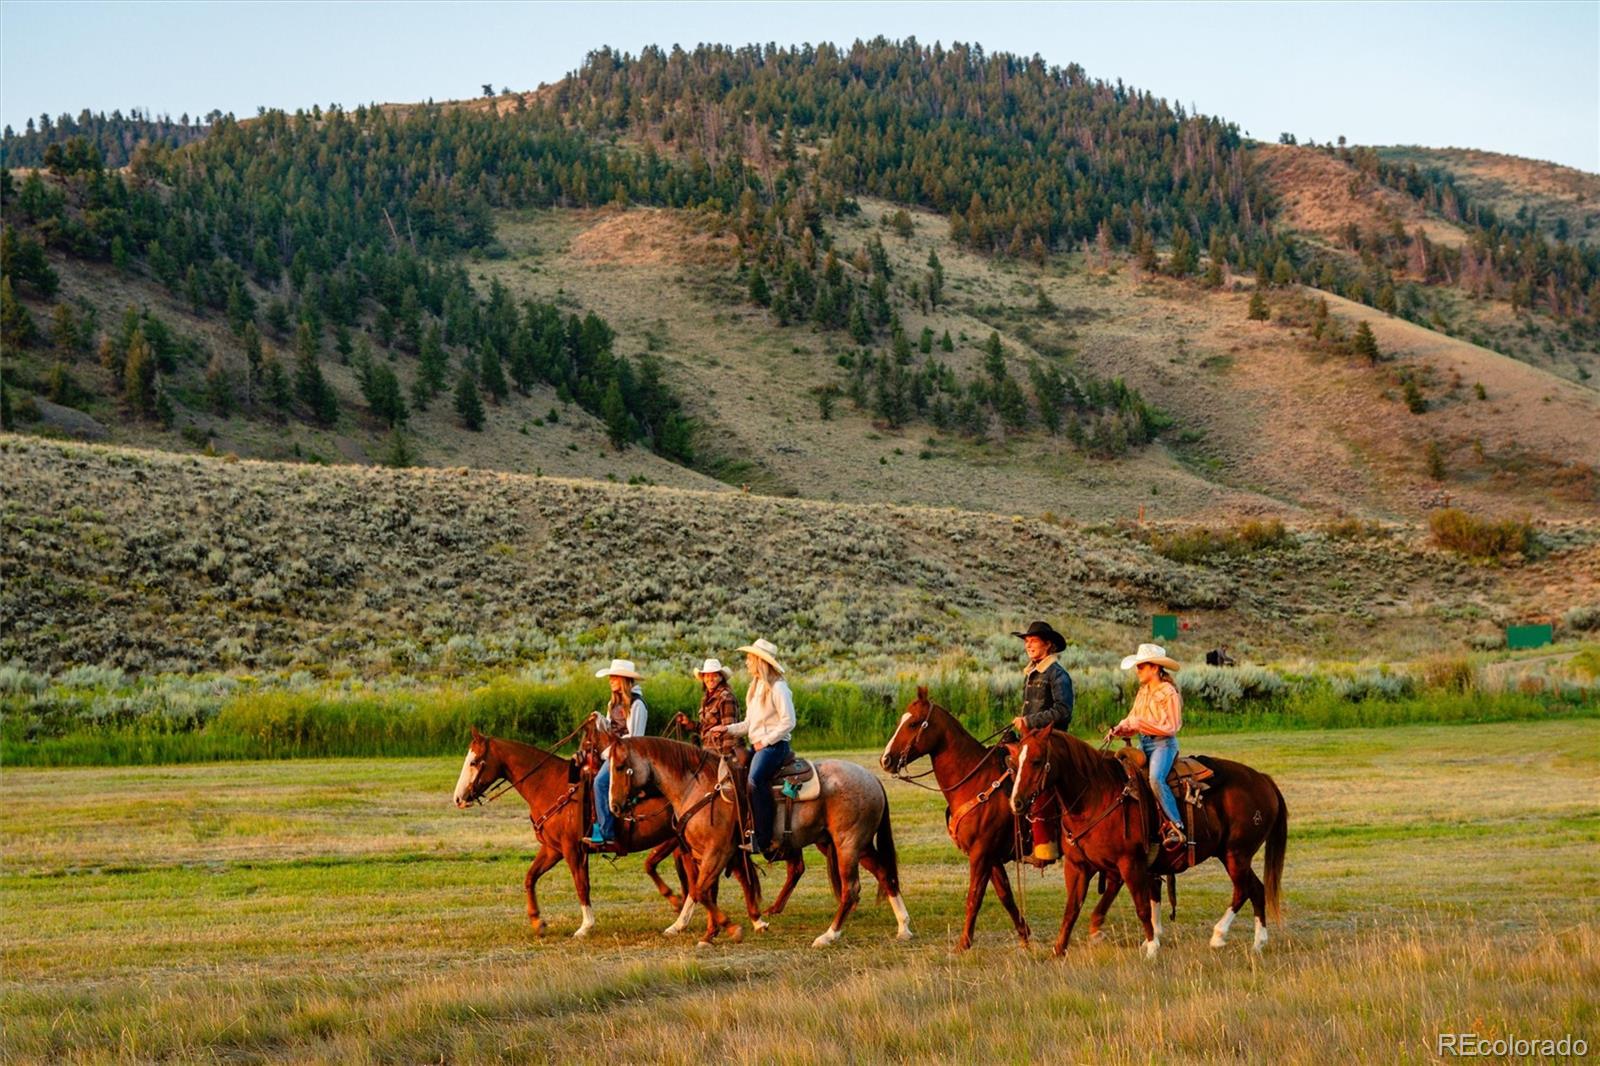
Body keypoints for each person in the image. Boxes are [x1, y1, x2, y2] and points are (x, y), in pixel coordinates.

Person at [706, 638, 795, 858]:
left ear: (759, 661)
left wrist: (765, 741)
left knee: (755, 780)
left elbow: (788, 721)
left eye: (749, 658)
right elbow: (749, 724)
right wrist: (726, 729)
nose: (746, 663)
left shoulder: (778, 687)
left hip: (775, 747)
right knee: (736, 778)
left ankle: (763, 838)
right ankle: (745, 827)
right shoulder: (755, 688)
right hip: (760, 746)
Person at [1008, 620, 1075, 866]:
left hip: (1052, 741)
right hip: (1032, 738)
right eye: (1026, 641)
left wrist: (1028, 720)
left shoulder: (1057, 674)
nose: (1028, 645)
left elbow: (1063, 711)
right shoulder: (1033, 672)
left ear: (1048, 645)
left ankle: (1045, 847)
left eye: (1033, 641)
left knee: (1038, 786)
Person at [1107, 643, 1186, 849]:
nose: (1137, 670)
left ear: (1155, 668)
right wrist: (1119, 728)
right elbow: (1132, 718)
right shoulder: (1143, 692)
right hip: (1146, 744)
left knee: (1155, 779)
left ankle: (1176, 826)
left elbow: (1172, 726)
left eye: (1141, 666)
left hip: (1163, 745)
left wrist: (1139, 724)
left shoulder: (1168, 692)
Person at [586, 658, 648, 848]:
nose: (611, 681)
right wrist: (599, 720)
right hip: (615, 752)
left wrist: (609, 752)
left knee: (600, 782)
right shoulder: (613, 703)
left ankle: (607, 833)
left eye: (614, 677)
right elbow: (611, 727)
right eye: (611, 677)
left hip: (628, 756)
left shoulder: (637, 705)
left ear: (623, 680)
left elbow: (634, 738)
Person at [692, 658, 741, 757]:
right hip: (707, 751)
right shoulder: (706, 699)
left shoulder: (726, 698)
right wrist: (689, 724)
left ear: (721, 677)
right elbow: (705, 728)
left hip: (719, 753)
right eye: (707, 675)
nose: (710, 679)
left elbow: (729, 730)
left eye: (714, 675)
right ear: (704, 678)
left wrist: (726, 757)